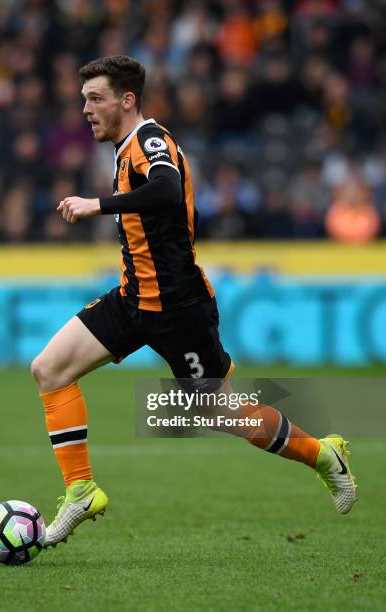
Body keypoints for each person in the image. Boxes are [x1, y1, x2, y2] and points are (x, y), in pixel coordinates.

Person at [31, 55, 356, 548]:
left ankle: (324, 456)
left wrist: (98, 204)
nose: (86, 109)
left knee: (219, 414)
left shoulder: (150, 141)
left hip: (180, 310)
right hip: (132, 298)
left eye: (95, 98)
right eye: (83, 100)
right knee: (49, 369)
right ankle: (80, 490)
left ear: (127, 100)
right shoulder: (123, 149)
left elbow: (165, 189)